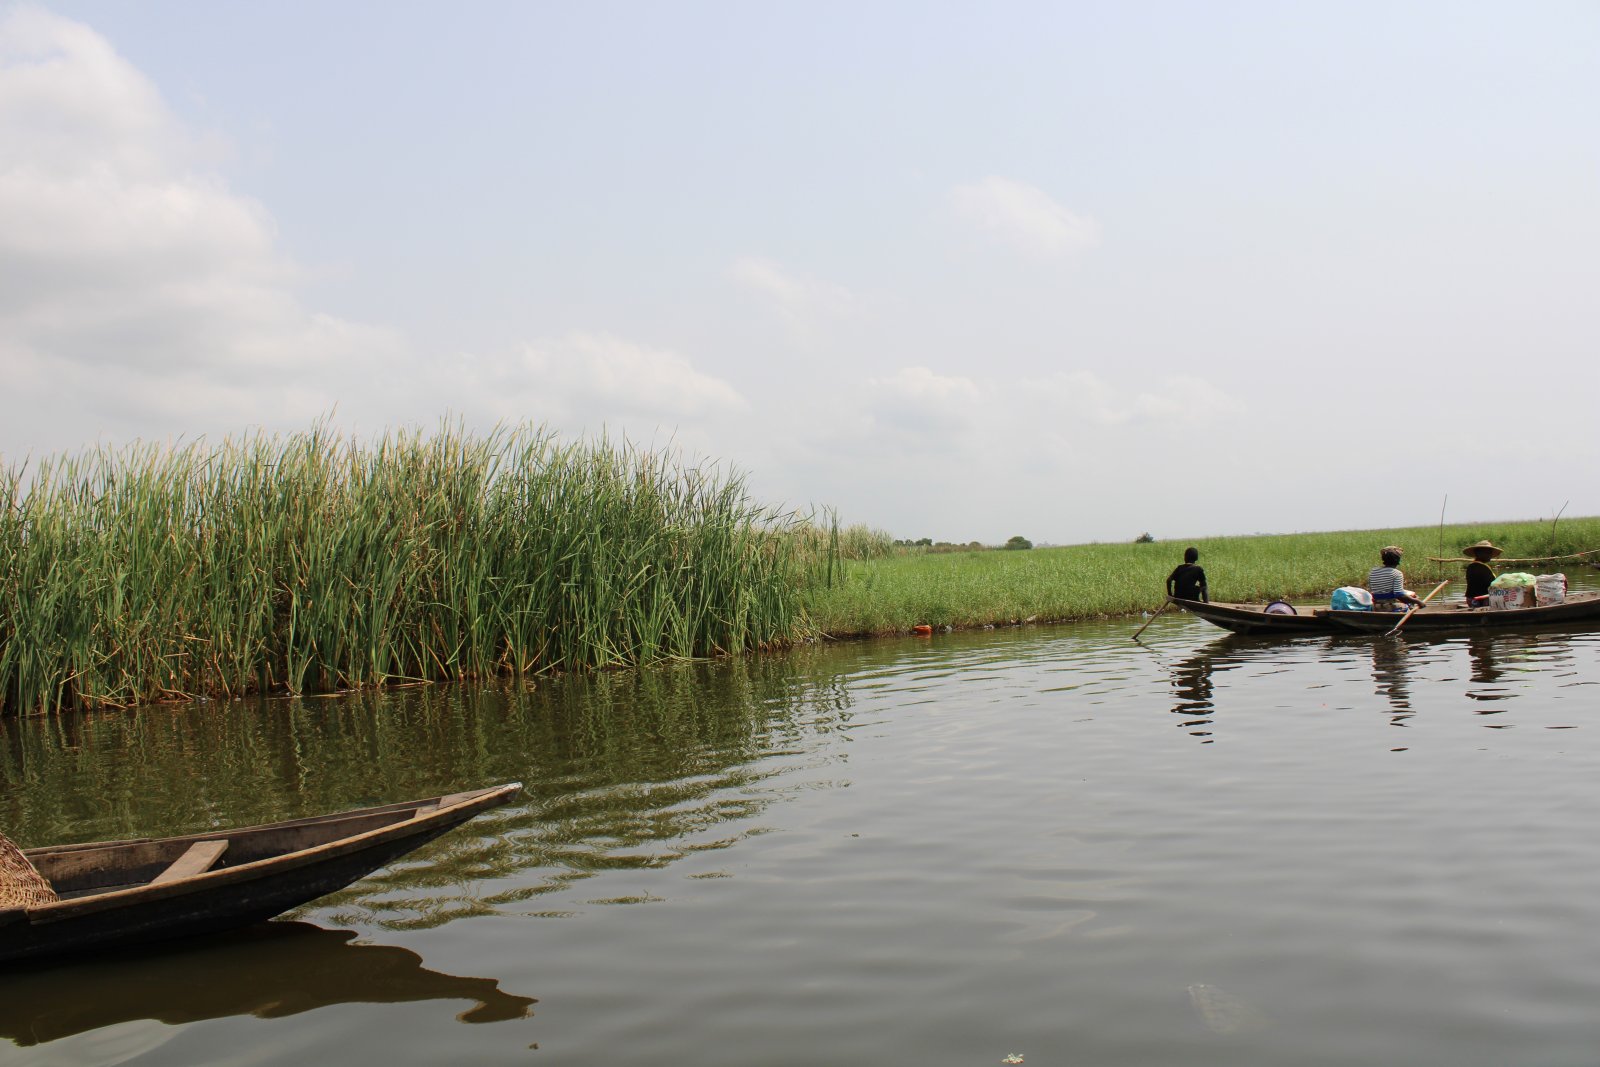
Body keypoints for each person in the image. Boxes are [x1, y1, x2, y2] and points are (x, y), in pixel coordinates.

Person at [1367, 545, 1423, 611]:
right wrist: (1417, 601)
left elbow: (1374, 591)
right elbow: (1399, 595)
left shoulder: (1373, 571)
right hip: (1390, 607)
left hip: (1375, 607)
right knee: (1412, 601)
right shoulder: (1397, 573)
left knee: (1411, 595)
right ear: (1397, 560)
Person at [1461, 539, 1502, 607]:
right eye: (1487, 552)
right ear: (1478, 553)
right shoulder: (1482, 568)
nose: (1490, 555)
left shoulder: (1471, 566)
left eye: (1490, 552)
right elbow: (1493, 585)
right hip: (1481, 601)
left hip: (1470, 600)